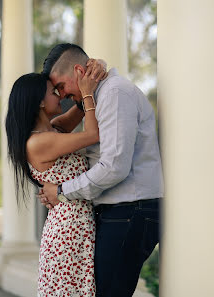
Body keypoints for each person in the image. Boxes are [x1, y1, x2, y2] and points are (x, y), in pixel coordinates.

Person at [38, 43, 164, 297]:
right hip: (119, 211)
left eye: (61, 86)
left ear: (78, 71)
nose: (60, 95)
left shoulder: (114, 93)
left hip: (130, 209)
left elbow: (114, 167)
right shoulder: (97, 98)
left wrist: (62, 191)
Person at [5, 59, 107, 296]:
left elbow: (81, 108)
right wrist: (88, 92)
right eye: (54, 92)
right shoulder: (40, 141)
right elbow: (93, 133)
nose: (60, 95)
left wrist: (93, 71)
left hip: (75, 225)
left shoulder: (52, 130)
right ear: (40, 101)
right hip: (68, 231)